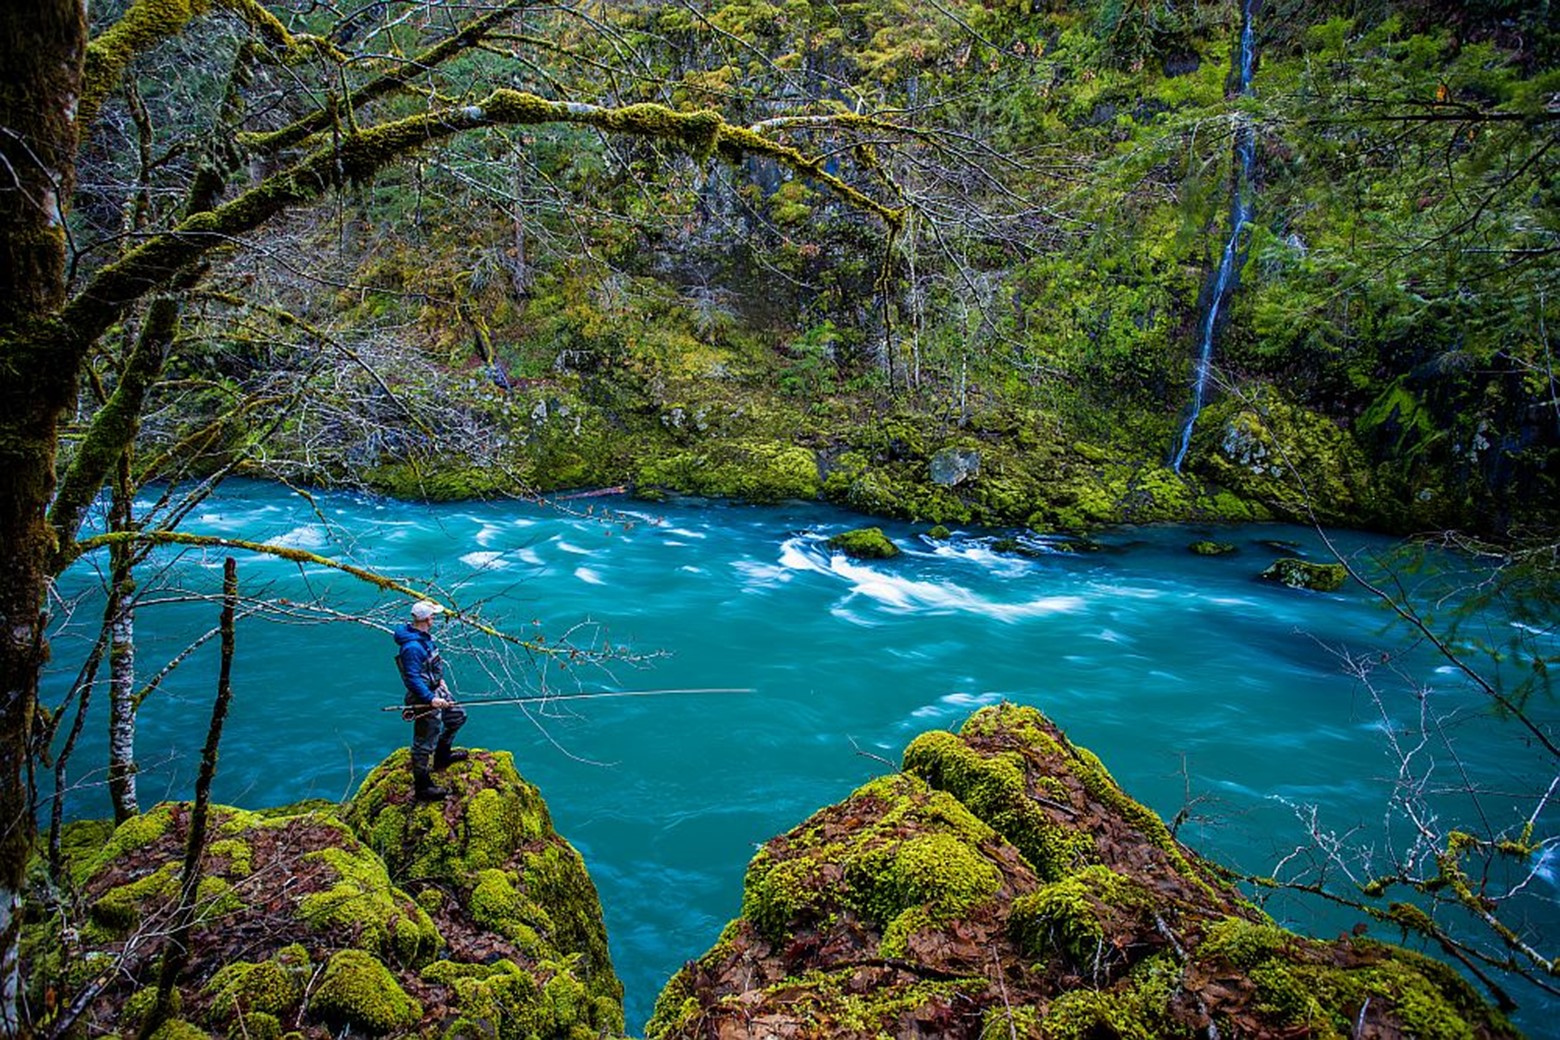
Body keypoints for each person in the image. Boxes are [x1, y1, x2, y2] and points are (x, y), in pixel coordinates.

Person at [394, 600, 469, 801]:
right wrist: (430, 699)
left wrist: (440, 681)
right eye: (433, 616)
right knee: (424, 742)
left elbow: (429, 665)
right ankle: (422, 787)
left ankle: (442, 756)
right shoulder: (412, 647)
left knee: (457, 717)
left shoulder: (423, 638)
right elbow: (412, 678)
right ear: (427, 619)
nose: (434, 619)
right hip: (424, 697)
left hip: (436, 689)